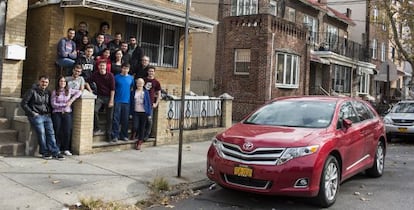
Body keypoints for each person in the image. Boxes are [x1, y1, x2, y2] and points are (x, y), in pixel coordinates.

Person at [20, 75, 65, 160]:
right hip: (36, 115)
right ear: (39, 81)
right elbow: (23, 103)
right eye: (43, 81)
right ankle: (44, 152)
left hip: (46, 115)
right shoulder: (32, 91)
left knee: (51, 133)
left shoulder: (48, 92)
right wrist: (32, 113)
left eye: (46, 82)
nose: (44, 84)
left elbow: (49, 104)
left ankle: (55, 152)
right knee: (41, 132)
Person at [51, 76, 82, 156]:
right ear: (58, 82)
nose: (62, 83)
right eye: (61, 81)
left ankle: (66, 148)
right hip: (57, 113)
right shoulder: (55, 92)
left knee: (67, 131)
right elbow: (53, 104)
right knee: (57, 130)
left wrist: (71, 101)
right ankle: (57, 148)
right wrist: (65, 105)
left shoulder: (69, 90)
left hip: (67, 113)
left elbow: (79, 92)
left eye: (64, 82)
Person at [89, 61, 115, 140]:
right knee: (94, 111)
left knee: (109, 117)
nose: (102, 67)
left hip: (108, 96)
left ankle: (108, 134)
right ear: (98, 67)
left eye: (103, 66)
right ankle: (97, 128)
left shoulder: (110, 75)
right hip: (99, 96)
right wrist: (90, 90)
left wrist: (111, 100)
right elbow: (87, 81)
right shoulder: (95, 74)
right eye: (100, 66)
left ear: (106, 67)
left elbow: (113, 89)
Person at [111, 63, 134, 142]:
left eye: (127, 69)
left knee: (125, 120)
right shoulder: (116, 77)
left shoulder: (131, 78)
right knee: (116, 119)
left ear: (129, 69)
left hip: (127, 102)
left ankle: (124, 135)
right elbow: (113, 88)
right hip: (117, 101)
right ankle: (115, 136)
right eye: (124, 68)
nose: (125, 70)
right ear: (121, 68)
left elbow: (132, 88)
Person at [131, 78, 152, 150]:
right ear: (136, 84)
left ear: (143, 84)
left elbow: (149, 103)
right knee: (135, 126)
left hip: (144, 112)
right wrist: (130, 112)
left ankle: (139, 142)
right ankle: (134, 133)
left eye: (141, 83)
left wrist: (149, 113)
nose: (139, 84)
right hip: (136, 112)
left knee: (142, 127)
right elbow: (131, 102)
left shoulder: (146, 92)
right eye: (138, 83)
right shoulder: (133, 92)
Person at [143, 66, 161, 141]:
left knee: (149, 120)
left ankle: (147, 134)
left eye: (152, 71)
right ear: (147, 72)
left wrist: (156, 103)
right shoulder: (143, 80)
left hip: (150, 104)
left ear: (154, 72)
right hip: (142, 103)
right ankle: (141, 134)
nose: (151, 73)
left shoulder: (156, 82)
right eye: (149, 71)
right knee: (143, 120)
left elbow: (159, 94)